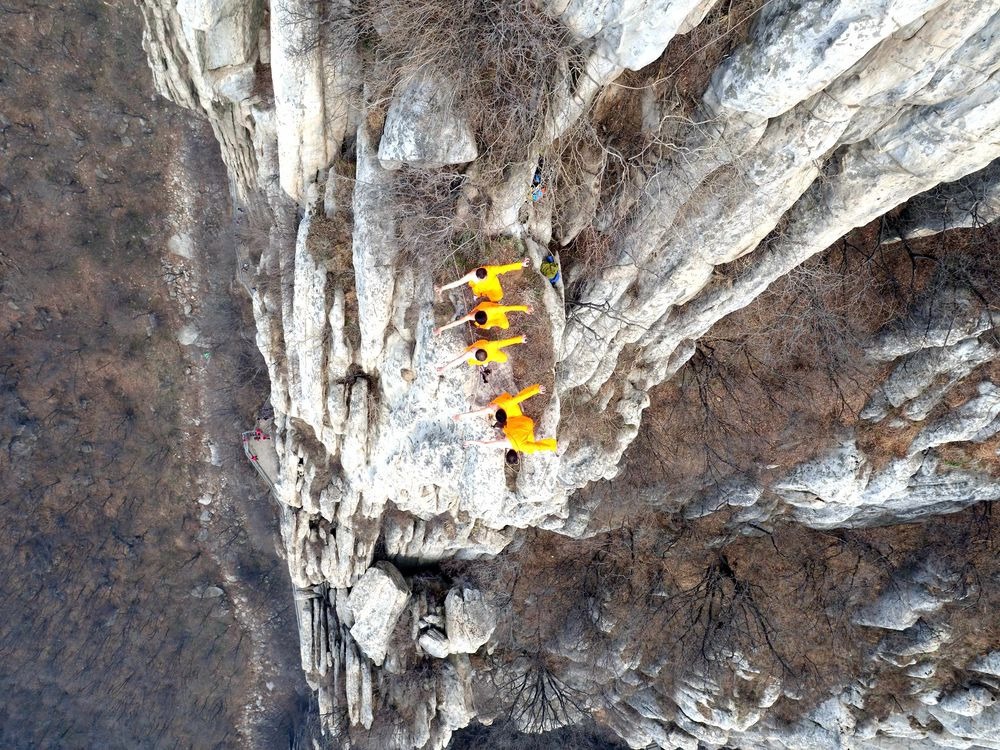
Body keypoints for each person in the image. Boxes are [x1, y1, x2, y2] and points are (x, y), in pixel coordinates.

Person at [435, 258, 531, 303]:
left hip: (493, 286)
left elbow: (504, 268)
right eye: (482, 278)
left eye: (485, 277)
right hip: (479, 289)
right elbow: (457, 283)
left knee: (498, 297)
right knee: (476, 292)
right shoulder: (471, 276)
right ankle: (477, 296)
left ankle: (490, 300)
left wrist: (520, 264)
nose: (484, 279)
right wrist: (442, 288)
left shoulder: (491, 270)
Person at [465, 413, 557, 455]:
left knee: (531, 448)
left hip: (529, 423)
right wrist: (469, 442)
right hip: (522, 420)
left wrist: (552, 446)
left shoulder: (521, 446)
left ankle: (553, 444)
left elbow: (538, 447)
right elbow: (485, 444)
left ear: (516, 453)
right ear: (508, 451)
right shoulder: (505, 440)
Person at [452, 384, 546, 422]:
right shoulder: (500, 406)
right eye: (492, 406)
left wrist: (537, 389)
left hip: (513, 413)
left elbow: (522, 396)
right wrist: (536, 389)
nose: (491, 405)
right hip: (511, 411)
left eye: (492, 406)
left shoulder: (494, 408)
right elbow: (476, 413)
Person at [436, 336, 525, 374]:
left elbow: (505, 342)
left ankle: (485, 363)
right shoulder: (470, 353)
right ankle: (485, 363)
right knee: (504, 359)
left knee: (504, 359)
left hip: (491, 354)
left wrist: (519, 339)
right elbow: (458, 361)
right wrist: (444, 368)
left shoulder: (488, 346)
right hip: (489, 356)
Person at [434, 301, 532, 335]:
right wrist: (441, 328)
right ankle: (487, 324)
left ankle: (492, 321)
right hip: (490, 317)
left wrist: (524, 308)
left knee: (505, 326)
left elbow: (511, 308)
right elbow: (457, 322)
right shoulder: (471, 316)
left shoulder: (497, 309)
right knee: (487, 327)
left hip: (496, 313)